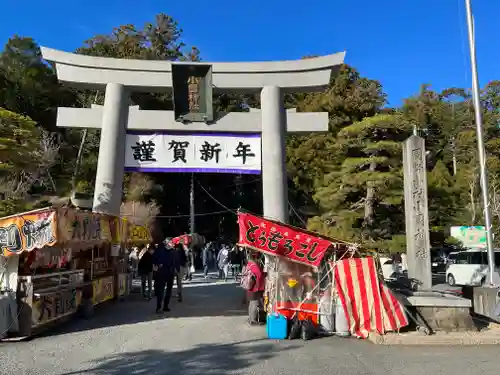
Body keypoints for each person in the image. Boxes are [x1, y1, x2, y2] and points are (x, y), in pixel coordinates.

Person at [152, 241, 178, 313]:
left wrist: (176, 270)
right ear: (167, 243)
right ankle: (159, 307)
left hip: (170, 272)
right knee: (161, 290)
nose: (173, 244)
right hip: (162, 272)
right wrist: (158, 264)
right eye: (171, 243)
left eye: (173, 243)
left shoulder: (173, 251)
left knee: (168, 290)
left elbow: (176, 261)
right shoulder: (160, 250)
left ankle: (165, 306)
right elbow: (154, 259)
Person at [245, 251, 266, 325]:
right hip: (255, 287)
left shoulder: (249, 264)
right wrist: (265, 274)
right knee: (255, 303)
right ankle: (253, 320)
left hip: (250, 287)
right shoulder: (254, 265)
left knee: (251, 303)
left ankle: (250, 318)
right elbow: (259, 275)